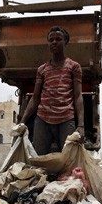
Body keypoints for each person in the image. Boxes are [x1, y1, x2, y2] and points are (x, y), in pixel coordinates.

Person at [19, 26, 84, 155]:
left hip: (66, 118)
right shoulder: (42, 69)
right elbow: (35, 98)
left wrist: (81, 125)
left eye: (58, 39)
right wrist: (22, 121)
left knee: (69, 159)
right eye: (51, 39)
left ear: (66, 42)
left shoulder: (74, 67)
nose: (54, 42)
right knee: (39, 159)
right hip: (43, 119)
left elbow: (78, 96)